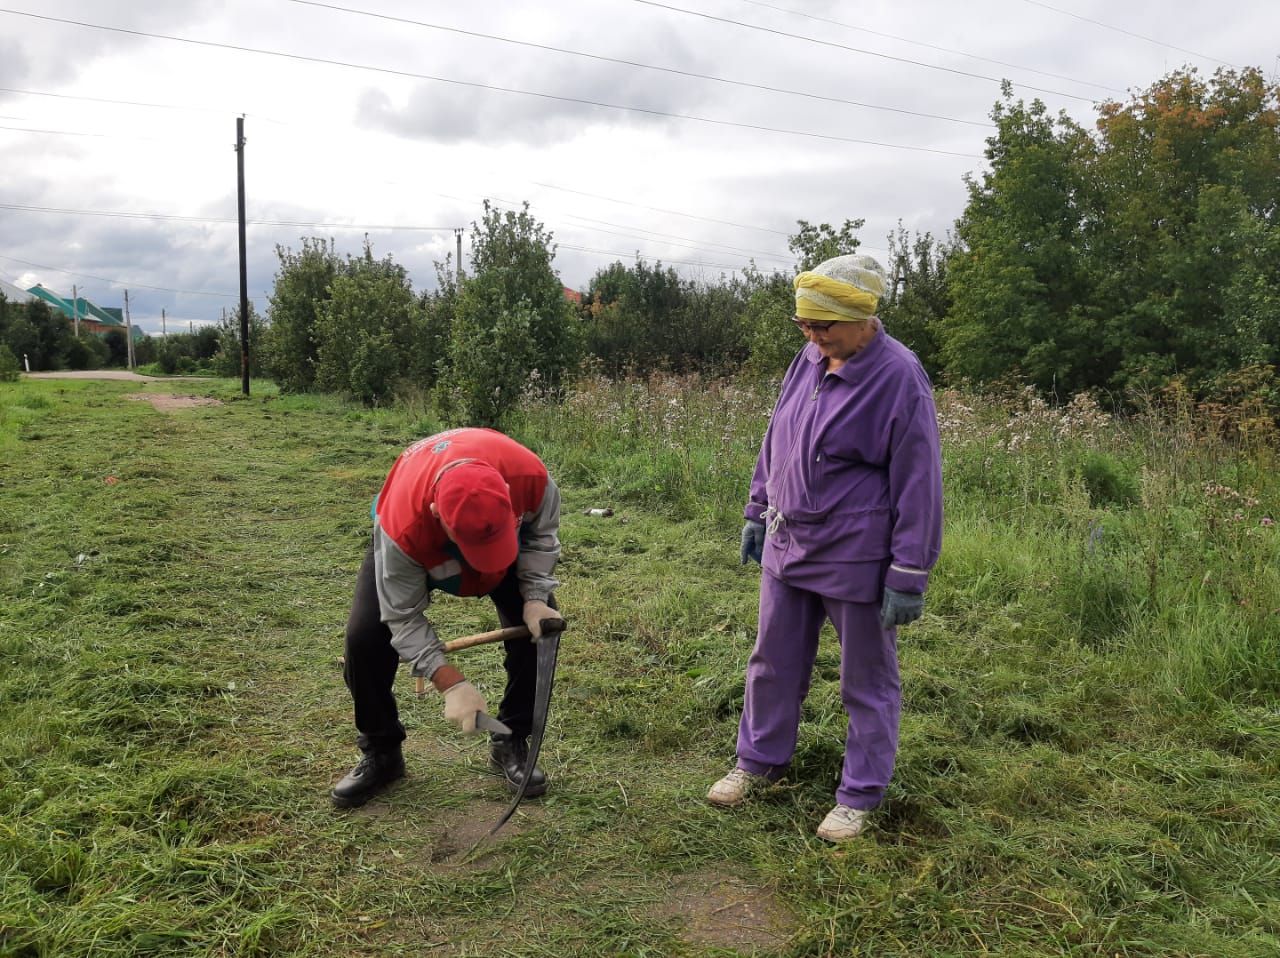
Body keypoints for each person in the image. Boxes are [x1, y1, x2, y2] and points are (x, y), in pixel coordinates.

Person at [708, 254, 943, 842]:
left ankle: (860, 793)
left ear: (862, 317)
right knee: (772, 661)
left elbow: (920, 479)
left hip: (855, 551)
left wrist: (909, 569)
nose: (813, 338)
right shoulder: (809, 357)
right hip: (789, 540)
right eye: (804, 327)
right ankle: (758, 762)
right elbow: (778, 436)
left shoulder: (899, 376)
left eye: (824, 327)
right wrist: (758, 508)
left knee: (866, 678)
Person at [332, 426, 563, 809]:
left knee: (539, 633)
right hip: (420, 546)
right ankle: (382, 750)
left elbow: (541, 536)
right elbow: (403, 615)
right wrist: (450, 682)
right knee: (365, 641)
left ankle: (511, 739)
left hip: (503, 540)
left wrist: (535, 598)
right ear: (439, 515)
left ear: (507, 497)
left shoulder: (531, 478)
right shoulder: (401, 524)